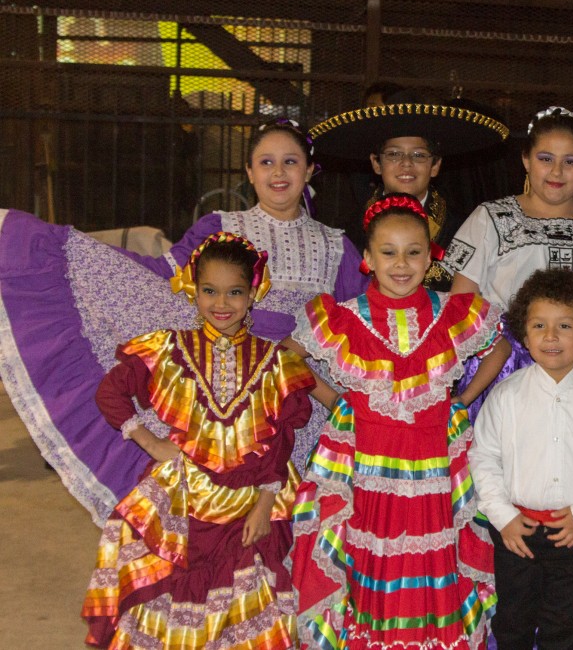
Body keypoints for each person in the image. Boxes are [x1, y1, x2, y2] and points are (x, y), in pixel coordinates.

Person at [0, 118, 366, 524]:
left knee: (283, 511)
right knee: (210, 509)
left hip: (295, 396)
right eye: (265, 162)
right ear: (248, 172)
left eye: (290, 161)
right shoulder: (220, 227)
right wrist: (71, 251)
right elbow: (163, 277)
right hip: (221, 388)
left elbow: (353, 326)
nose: (278, 173)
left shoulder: (337, 245)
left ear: (310, 170)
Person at [284, 194, 511, 650]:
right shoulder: (343, 317)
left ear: (431, 257)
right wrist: (335, 400)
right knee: (371, 559)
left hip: (435, 464)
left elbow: (500, 348)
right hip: (367, 463)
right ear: (368, 258)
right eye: (388, 252)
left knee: (437, 557)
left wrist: (462, 398)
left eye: (413, 251)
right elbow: (289, 355)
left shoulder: (454, 311)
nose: (401, 263)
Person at [82, 233, 316, 648]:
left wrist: (264, 505)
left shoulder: (277, 362)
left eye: (234, 292)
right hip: (184, 500)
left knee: (248, 604)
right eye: (209, 291)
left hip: (252, 504)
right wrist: (150, 442)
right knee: (174, 597)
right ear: (193, 289)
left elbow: (281, 439)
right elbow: (110, 393)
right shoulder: (169, 348)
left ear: (253, 293)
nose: (221, 303)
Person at [469, 268, 573, 650]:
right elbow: (484, 458)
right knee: (513, 621)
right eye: (539, 325)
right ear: (524, 335)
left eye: (564, 325)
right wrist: (503, 517)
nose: (551, 336)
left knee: (562, 625)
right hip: (516, 531)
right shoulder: (507, 396)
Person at [443, 106, 573, 416]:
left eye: (570, 162)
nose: (556, 172)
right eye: (546, 159)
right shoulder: (490, 218)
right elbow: (461, 310)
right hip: (503, 365)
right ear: (525, 160)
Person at [310, 92, 509, 287]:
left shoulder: (464, 230)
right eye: (394, 154)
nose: (406, 164)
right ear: (376, 163)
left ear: (435, 165)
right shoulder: (348, 234)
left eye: (419, 155)